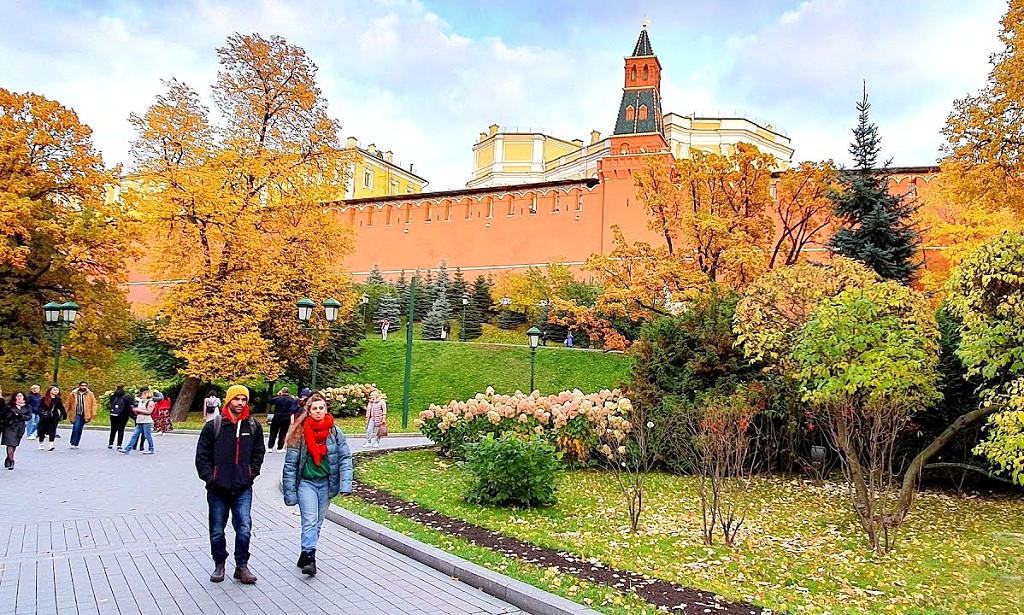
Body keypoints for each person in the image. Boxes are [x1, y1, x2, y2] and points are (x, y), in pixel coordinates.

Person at [195, 384, 265, 585]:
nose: (240, 403)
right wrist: (211, 477)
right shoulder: (214, 426)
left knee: (244, 527)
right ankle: (219, 563)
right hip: (218, 488)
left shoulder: (252, 426)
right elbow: (202, 456)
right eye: (237, 399)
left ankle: (242, 566)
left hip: (243, 487)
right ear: (228, 401)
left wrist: (251, 473)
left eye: (244, 400)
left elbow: (258, 453)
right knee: (217, 528)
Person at [282, 392, 352, 577]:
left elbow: (345, 458)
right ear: (309, 411)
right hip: (307, 483)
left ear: (326, 409)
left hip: (327, 483)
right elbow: (290, 466)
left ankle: (305, 552)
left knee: (317, 523)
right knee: (310, 520)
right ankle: (311, 558)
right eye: (315, 408)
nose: (318, 411)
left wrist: (345, 485)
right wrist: (290, 493)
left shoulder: (334, 432)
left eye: (321, 408)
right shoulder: (300, 432)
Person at [2, 392, 33, 470]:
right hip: (9, 426)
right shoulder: (9, 405)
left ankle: (8, 458)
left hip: (20, 427)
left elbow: (29, 417)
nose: (19, 397)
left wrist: (20, 415)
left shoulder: (27, 406)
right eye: (17, 396)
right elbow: (4, 415)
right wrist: (11, 415)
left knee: (14, 444)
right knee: (10, 443)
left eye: (21, 396)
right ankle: (12, 461)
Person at [121, 388, 154, 455]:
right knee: (134, 435)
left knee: (147, 435)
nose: (141, 395)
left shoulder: (150, 402)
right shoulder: (141, 402)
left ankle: (151, 448)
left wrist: (138, 410)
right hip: (139, 420)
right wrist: (135, 411)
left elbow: (149, 412)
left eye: (143, 394)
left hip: (146, 421)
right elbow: (139, 411)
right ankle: (127, 449)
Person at [65, 381, 97, 449]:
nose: (83, 387)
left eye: (85, 385)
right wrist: (65, 412)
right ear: (79, 386)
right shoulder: (73, 394)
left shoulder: (90, 394)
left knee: (80, 428)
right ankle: (73, 442)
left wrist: (93, 413)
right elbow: (68, 403)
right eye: (82, 385)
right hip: (76, 413)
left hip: (85, 413)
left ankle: (76, 443)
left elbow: (93, 404)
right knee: (76, 427)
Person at [267, 387, 295, 453]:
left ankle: (270, 447)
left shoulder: (278, 398)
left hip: (277, 416)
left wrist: (277, 395)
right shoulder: (291, 399)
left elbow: (270, 401)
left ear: (281, 391)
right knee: (283, 433)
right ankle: (280, 448)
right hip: (286, 417)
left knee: (273, 432)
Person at [37, 385, 65, 451]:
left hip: (54, 416)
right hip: (45, 417)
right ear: (50, 391)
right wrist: (42, 414)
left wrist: (64, 415)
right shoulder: (44, 399)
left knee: (53, 430)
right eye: (54, 390)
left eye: (57, 390)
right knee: (42, 430)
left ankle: (51, 444)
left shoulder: (57, 399)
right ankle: (41, 443)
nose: (56, 391)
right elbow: (40, 408)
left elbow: (61, 407)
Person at [108, 385, 133, 450]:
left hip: (113, 415)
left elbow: (110, 405)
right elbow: (130, 406)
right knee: (121, 430)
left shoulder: (113, 396)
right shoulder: (127, 397)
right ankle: (119, 444)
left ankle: (110, 443)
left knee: (113, 430)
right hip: (123, 416)